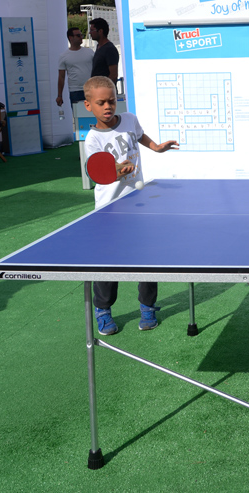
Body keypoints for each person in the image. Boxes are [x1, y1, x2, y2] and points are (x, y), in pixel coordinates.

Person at [83, 76, 178, 335]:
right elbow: (100, 172)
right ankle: (103, 310)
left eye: (111, 101)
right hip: (109, 211)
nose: (108, 106)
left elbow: (139, 136)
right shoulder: (92, 139)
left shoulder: (129, 119)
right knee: (108, 263)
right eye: (101, 102)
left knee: (146, 260)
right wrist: (117, 170)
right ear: (88, 105)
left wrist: (155, 147)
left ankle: (147, 307)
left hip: (138, 205)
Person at [57, 27, 94, 107]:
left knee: (94, 113)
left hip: (91, 89)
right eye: (78, 35)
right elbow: (61, 77)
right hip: (75, 91)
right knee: (78, 113)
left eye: (81, 35)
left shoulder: (90, 52)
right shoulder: (64, 56)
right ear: (70, 38)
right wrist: (59, 95)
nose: (81, 37)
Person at [89, 18, 120, 82]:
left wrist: (104, 87)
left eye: (92, 30)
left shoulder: (109, 49)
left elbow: (113, 75)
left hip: (104, 87)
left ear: (100, 31)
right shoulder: (99, 46)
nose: (90, 33)